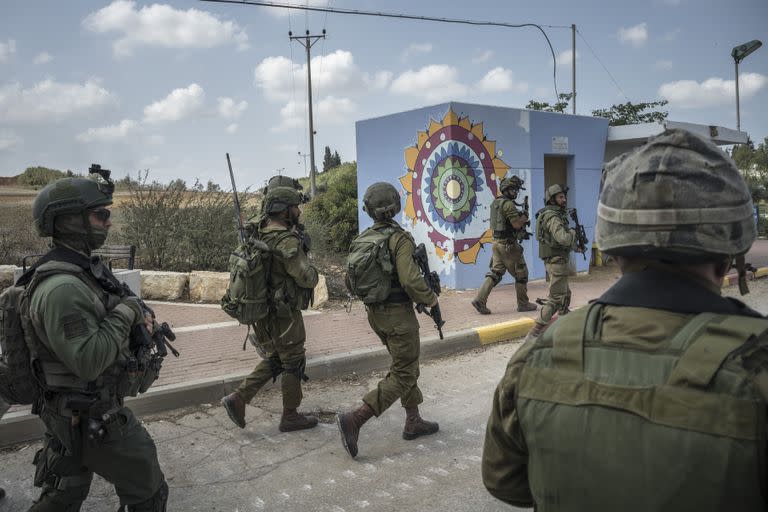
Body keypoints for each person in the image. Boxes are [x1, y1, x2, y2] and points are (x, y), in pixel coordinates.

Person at [482, 128, 768, 510]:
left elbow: (506, 483)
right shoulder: (757, 365)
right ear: (732, 248)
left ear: (616, 247)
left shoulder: (539, 354)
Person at [22, 171, 168, 511]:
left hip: (72, 410)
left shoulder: (83, 270)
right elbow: (88, 360)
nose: (108, 222)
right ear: (69, 219)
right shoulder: (63, 288)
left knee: (64, 492)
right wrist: (129, 312)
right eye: (100, 214)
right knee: (148, 489)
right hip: (89, 413)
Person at [337, 182, 439, 458]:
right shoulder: (399, 238)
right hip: (398, 315)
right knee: (404, 371)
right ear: (395, 206)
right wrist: (430, 298)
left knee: (404, 364)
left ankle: (413, 420)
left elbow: (349, 281)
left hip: (376, 316)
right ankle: (356, 419)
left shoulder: (365, 238)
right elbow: (409, 279)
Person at [221, 186, 319, 432]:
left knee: (276, 358)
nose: (299, 210)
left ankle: (239, 398)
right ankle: (290, 415)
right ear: (285, 211)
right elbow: (306, 277)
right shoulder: (285, 240)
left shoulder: (259, 232)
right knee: (293, 359)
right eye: (295, 207)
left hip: (262, 312)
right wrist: (313, 268)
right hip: (283, 313)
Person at [523, 183, 584, 342]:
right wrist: (572, 232)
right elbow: (562, 238)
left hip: (558, 260)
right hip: (556, 262)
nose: (564, 200)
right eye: (560, 197)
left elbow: (559, 242)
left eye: (564, 197)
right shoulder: (552, 216)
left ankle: (565, 325)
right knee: (556, 298)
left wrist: (576, 247)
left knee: (565, 295)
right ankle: (535, 332)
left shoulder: (553, 214)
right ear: (552, 199)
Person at [472, 176, 537, 315]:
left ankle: (480, 299)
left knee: (496, 273)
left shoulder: (496, 202)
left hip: (496, 243)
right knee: (522, 274)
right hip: (508, 245)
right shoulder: (508, 204)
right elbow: (516, 224)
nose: (515, 192)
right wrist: (524, 217)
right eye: (513, 189)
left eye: (516, 190)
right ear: (506, 189)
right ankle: (523, 304)